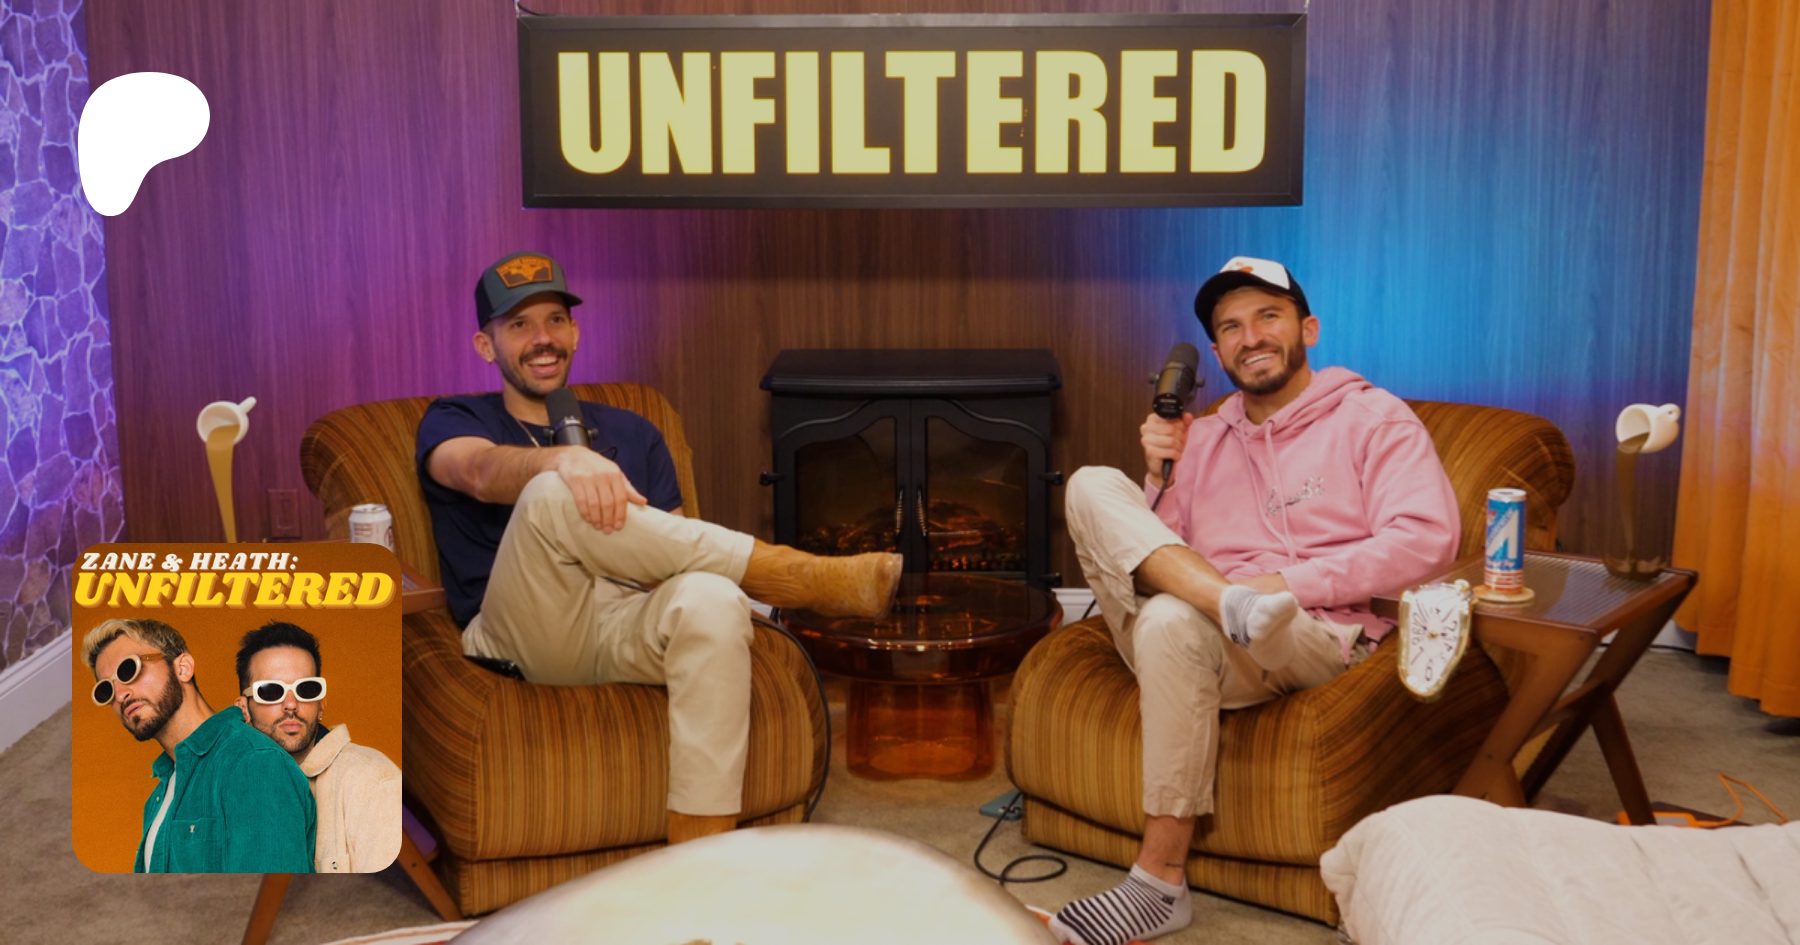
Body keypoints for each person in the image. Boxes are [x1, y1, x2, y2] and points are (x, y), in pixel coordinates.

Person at [416, 251, 902, 844]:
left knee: (711, 598)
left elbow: (675, 552)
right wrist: (564, 460)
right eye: (519, 325)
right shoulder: (455, 418)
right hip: (522, 631)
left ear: (575, 333)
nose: (542, 338)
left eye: (555, 320)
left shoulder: (634, 430)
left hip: (625, 621)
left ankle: (702, 848)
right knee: (552, 488)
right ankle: (789, 574)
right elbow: (478, 473)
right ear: (485, 345)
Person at [1047, 257, 1461, 945]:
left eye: (1268, 316)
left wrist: (1285, 587)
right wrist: (1158, 476)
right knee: (1093, 486)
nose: (1252, 336)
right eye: (1231, 327)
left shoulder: (1373, 418)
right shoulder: (1202, 437)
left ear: (1308, 328)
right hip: (1204, 621)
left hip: (1307, 632)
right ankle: (1226, 604)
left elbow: (1428, 540)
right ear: (1216, 354)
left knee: (1176, 617)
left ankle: (1156, 878)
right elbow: (1158, 558)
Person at [80, 618, 316, 873]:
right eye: (106, 690)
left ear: (183, 668)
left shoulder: (253, 762)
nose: (120, 694)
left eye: (129, 670)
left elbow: (267, 890)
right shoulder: (158, 797)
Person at [234, 621, 402, 873]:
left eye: (306, 689)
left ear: (321, 705)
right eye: (270, 691)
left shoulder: (374, 782)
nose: (291, 704)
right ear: (243, 709)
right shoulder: (230, 787)